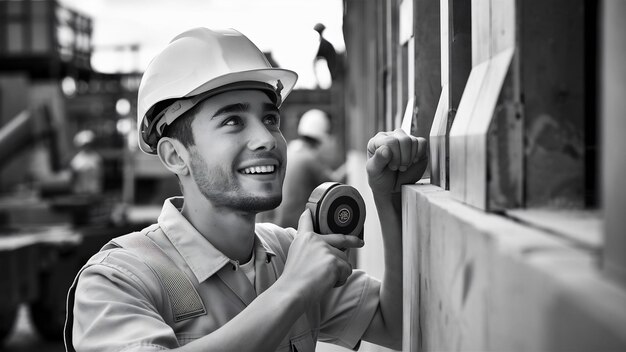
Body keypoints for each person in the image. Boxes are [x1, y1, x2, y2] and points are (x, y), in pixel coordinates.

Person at [65, 27, 428, 352]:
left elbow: (392, 325)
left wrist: (390, 197)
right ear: (175, 155)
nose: (266, 138)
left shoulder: (286, 253)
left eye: (270, 119)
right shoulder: (119, 279)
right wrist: (293, 290)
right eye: (233, 121)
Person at [274, 108, 346, 229]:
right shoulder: (308, 158)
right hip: (298, 226)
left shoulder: (291, 150)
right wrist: (350, 166)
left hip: (281, 224)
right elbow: (335, 183)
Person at [69, 130, 104, 195]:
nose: (87, 147)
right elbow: (73, 177)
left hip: (94, 191)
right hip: (80, 193)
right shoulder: (76, 160)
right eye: (85, 145)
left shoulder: (96, 157)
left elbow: (100, 176)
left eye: (89, 144)